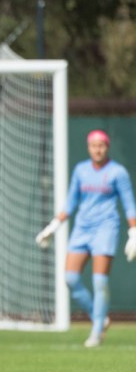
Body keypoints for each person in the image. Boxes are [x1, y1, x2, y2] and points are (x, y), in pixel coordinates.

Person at [35, 129, 136, 347]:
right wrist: (53, 226)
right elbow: (71, 202)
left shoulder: (118, 172)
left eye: (101, 145)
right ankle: (99, 317)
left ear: (106, 147)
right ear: (88, 147)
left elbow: (129, 204)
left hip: (106, 228)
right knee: (70, 278)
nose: (97, 149)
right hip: (82, 228)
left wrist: (133, 232)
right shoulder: (81, 171)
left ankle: (97, 331)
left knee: (99, 281)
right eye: (93, 145)